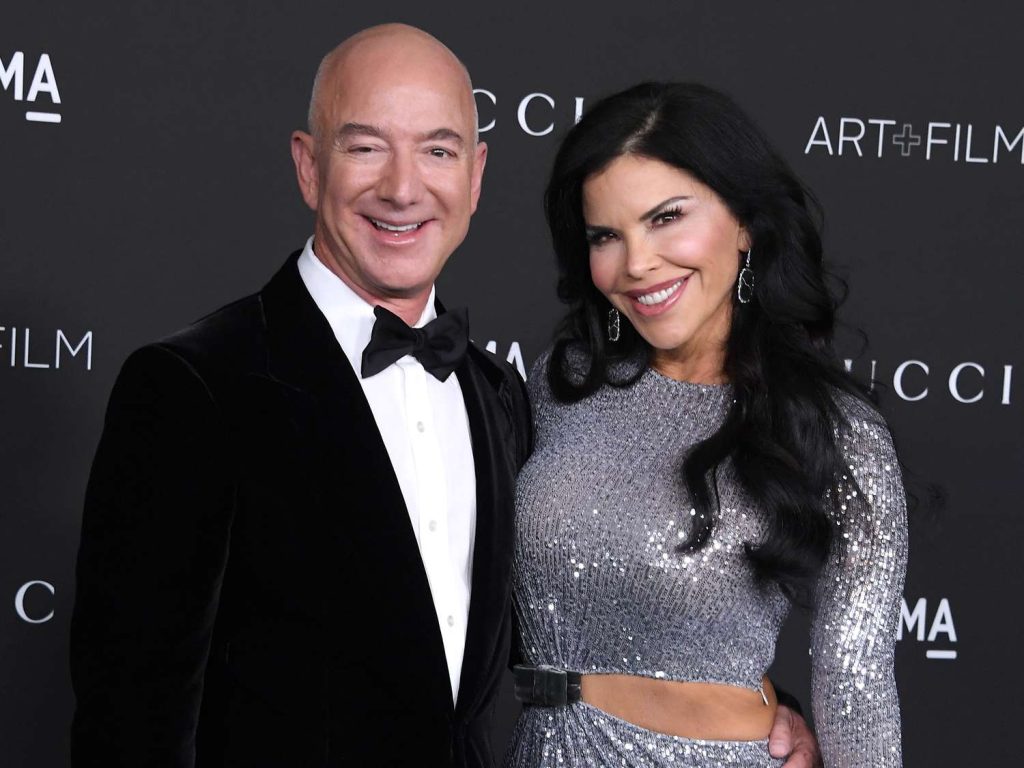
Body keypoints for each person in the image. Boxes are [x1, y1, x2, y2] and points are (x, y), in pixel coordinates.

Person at [69, 24, 819, 768]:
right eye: (365, 148)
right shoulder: (195, 386)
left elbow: (578, 622)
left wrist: (753, 711)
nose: (403, 188)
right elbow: (130, 720)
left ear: (475, 175)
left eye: (437, 150)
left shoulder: (499, 394)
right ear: (308, 166)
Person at [506, 82, 907, 767]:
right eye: (607, 236)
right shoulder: (561, 380)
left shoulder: (838, 433)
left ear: (745, 222)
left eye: (666, 218)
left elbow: (857, 689)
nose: (637, 263)